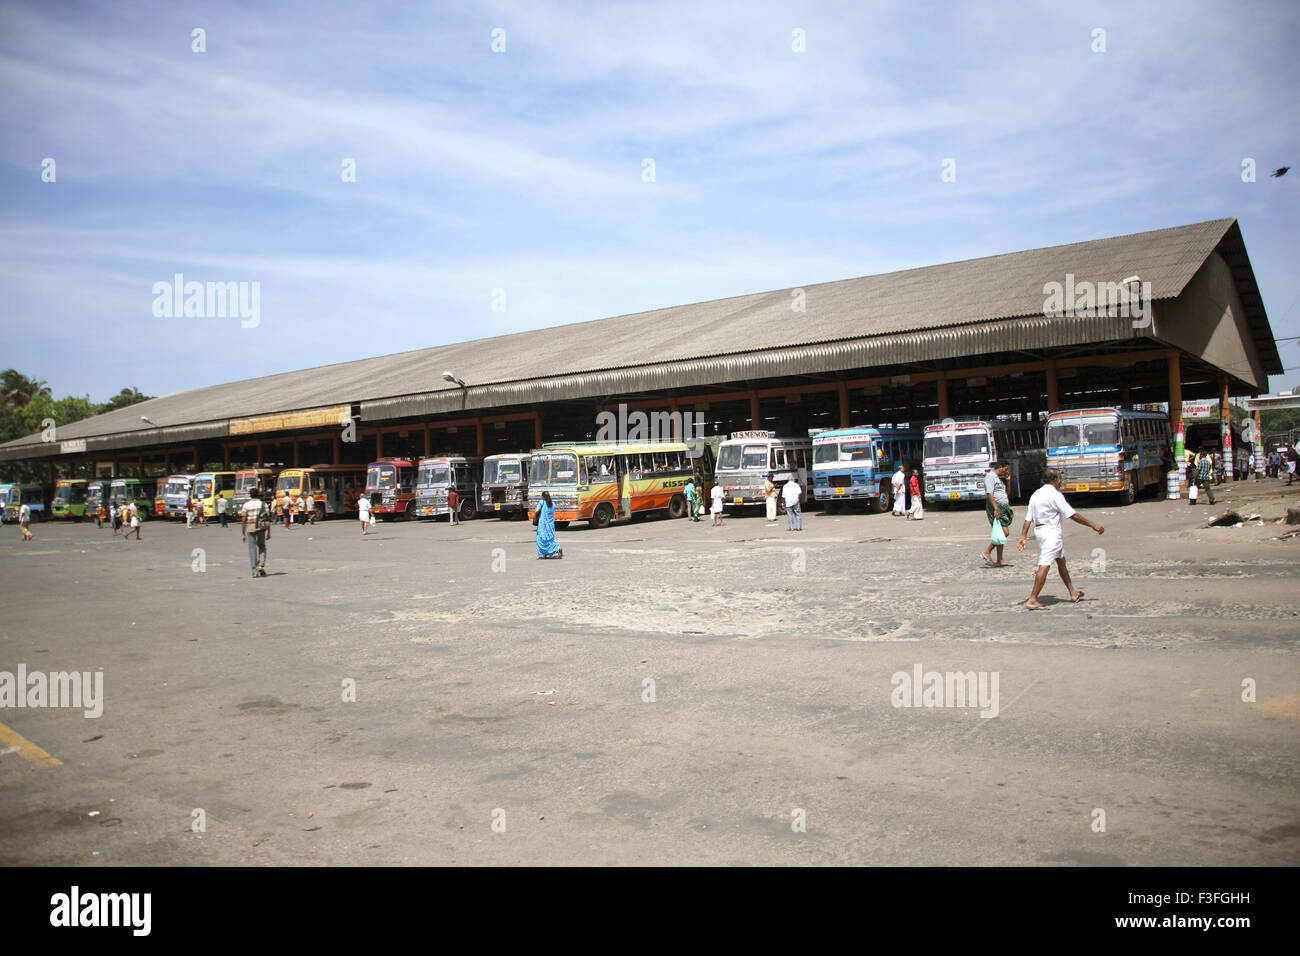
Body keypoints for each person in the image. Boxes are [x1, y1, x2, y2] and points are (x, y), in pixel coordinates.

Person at [1017, 469, 1103, 609]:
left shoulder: (1036, 494)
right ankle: (1032, 599)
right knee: (1044, 564)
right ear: (1054, 480)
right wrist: (1093, 525)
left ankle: (1073, 592)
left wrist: (1023, 536)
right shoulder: (1055, 495)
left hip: (1040, 531)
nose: (1061, 481)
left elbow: (1028, 519)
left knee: (1061, 561)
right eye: (1060, 478)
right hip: (1051, 533)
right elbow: (1072, 515)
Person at [981, 460, 1014, 567]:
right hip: (996, 507)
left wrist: (1008, 482)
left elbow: (1006, 494)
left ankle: (1000, 559)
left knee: (1000, 533)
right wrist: (995, 508)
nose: (1006, 471)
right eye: (1006, 468)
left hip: (1003, 507)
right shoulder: (990, 477)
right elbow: (989, 493)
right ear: (1000, 467)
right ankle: (987, 551)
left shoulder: (999, 479)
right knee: (1004, 532)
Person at [241, 488, 271, 577]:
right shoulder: (263, 504)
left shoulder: (246, 505)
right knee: (262, 546)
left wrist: (243, 533)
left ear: (250, 495)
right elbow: (268, 518)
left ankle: (254, 571)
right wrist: (269, 532)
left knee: (252, 549)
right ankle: (261, 565)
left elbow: (243, 520)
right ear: (258, 494)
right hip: (261, 527)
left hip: (250, 527)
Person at [534, 491, 563, 559]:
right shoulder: (553, 504)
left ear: (543, 497)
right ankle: (557, 548)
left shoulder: (541, 502)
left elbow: (536, 511)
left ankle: (542, 554)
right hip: (550, 525)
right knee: (550, 539)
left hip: (543, 525)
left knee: (540, 539)